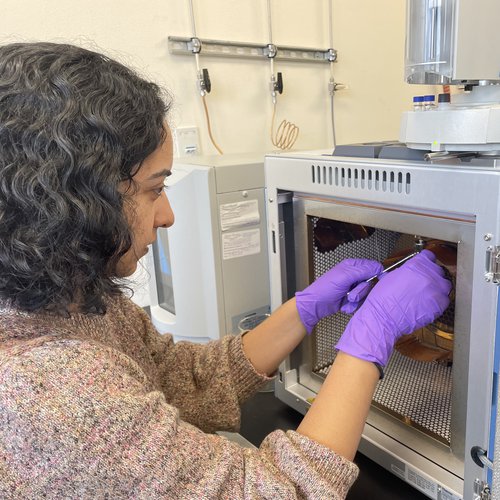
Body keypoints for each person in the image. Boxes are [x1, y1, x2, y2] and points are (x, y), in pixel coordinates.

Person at [0, 42, 451, 499]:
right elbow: (283, 492)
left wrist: (304, 309)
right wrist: (371, 334)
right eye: (155, 190)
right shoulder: (41, 387)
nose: (168, 214)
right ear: (75, 201)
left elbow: (184, 379)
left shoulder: (72, 300)